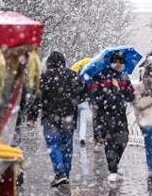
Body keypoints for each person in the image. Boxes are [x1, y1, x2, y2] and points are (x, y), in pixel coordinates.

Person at [39, 51, 86, 187]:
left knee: (53, 144)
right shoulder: (73, 75)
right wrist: (74, 101)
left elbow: (38, 96)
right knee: (67, 145)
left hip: (50, 117)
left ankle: (60, 173)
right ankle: (66, 173)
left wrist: (31, 115)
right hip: (68, 116)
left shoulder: (45, 77)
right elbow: (83, 92)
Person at [87, 51, 135, 183]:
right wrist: (109, 92)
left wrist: (120, 90)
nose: (119, 64)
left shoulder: (124, 77)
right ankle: (112, 169)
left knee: (124, 139)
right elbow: (93, 96)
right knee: (110, 141)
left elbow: (131, 96)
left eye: (122, 62)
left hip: (120, 113)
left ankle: (115, 163)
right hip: (105, 114)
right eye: (117, 61)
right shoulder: (100, 76)